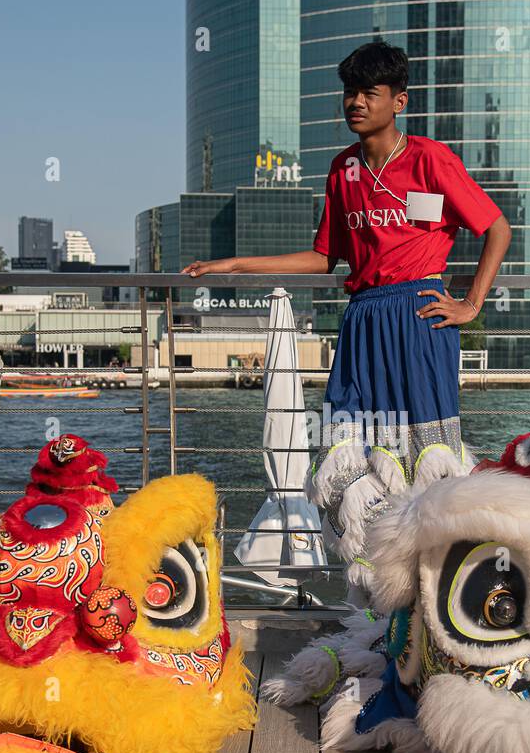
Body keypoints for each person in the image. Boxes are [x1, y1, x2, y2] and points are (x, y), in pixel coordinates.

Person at [183, 41, 511, 605]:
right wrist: (237, 264)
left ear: (398, 101)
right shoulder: (345, 169)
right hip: (362, 322)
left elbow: (497, 228)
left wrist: (471, 303)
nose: (355, 103)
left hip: (419, 319)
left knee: (427, 458)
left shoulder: (431, 159)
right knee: (350, 452)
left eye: (369, 93)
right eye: (350, 93)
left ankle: (442, 597)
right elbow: (324, 258)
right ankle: (377, 599)